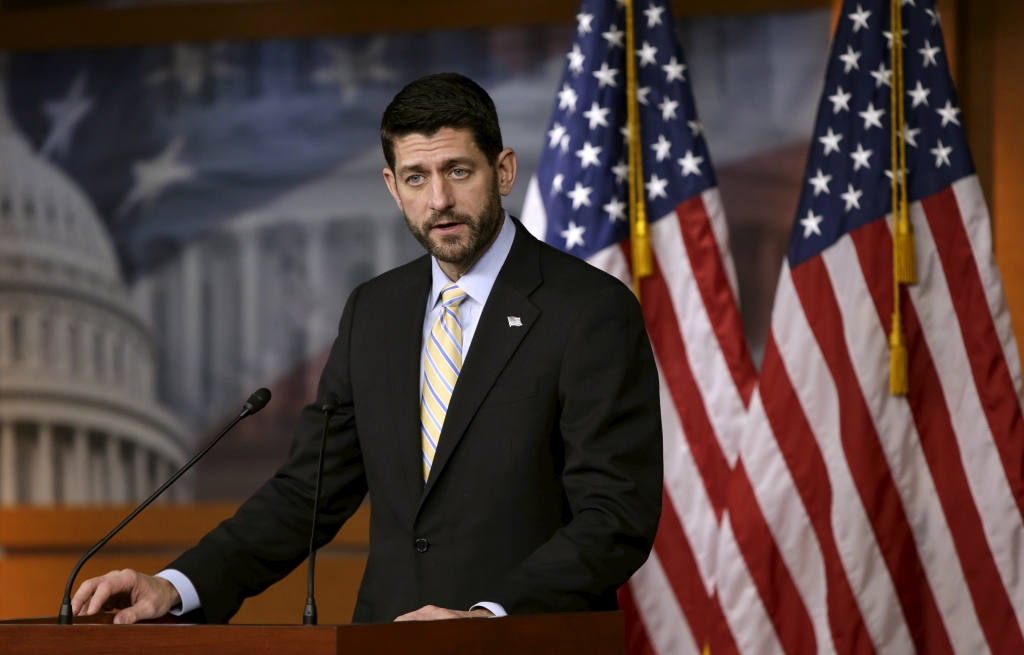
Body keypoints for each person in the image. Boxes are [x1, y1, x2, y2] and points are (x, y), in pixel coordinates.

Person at [71, 72, 663, 625]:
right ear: (392, 185)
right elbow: (309, 490)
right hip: (385, 640)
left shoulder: (589, 311)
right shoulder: (374, 312)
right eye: (415, 177)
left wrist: (488, 618)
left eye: (458, 171)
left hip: (524, 645)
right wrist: (179, 584)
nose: (439, 201)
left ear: (503, 172)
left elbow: (614, 518)